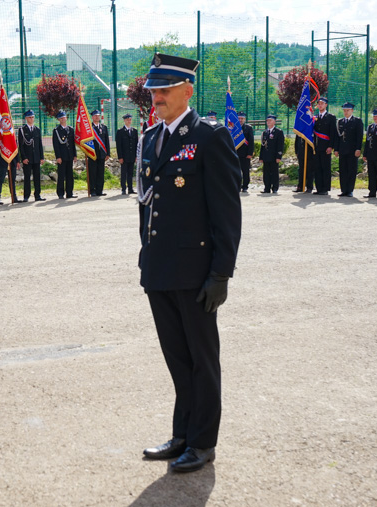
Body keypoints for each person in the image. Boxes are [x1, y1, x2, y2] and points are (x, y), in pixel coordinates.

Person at [138, 53, 242, 472]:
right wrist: (145, 255)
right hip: (160, 270)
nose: (156, 98)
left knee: (202, 360)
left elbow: (226, 211)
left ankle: (202, 442)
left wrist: (221, 272)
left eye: (163, 90)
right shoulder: (151, 138)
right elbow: (148, 206)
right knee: (177, 360)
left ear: (187, 90)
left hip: (196, 273)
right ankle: (182, 433)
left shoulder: (209, 137)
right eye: (153, 91)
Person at [334, 102, 363, 198]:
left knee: (351, 170)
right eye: (344, 110)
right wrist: (336, 149)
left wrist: (358, 148)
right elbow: (337, 137)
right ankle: (343, 190)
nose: (346, 112)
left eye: (348, 110)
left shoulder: (357, 121)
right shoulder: (340, 122)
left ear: (352, 111)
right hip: (342, 150)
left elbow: (359, 136)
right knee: (343, 170)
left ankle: (350, 190)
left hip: (352, 150)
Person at [312, 97, 337, 195]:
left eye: (322, 103)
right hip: (316, 146)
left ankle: (325, 189)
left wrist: (331, 146)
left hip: (326, 147)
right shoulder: (315, 118)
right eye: (319, 103)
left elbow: (333, 133)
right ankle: (319, 188)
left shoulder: (330, 117)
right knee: (317, 168)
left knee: (325, 168)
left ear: (326, 105)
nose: (320, 105)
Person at [18, 110, 45, 202]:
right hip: (27, 158)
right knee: (27, 177)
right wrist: (23, 158)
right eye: (29, 117)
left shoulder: (37, 129)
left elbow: (39, 145)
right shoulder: (22, 130)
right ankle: (26, 196)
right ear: (26, 118)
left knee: (37, 177)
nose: (31, 119)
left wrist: (42, 157)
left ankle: (37, 195)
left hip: (36, 157)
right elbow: (21, 146)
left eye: (33, 117)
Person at [362, 109, 377, 199]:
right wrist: (365, 154)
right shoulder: (370, 127)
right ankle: (372, 191)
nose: (375, 117)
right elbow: (367, 142)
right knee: (371, 174)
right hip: (371, 154)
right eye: (374, 116)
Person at [52, 110, 76, 199]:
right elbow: (56, 145)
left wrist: (75, 155)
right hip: (61, 156)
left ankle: (70, 192)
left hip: (70, 156)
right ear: (59, 119)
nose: (63, 119)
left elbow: (73, 144)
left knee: (70, 175)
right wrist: (58, 157)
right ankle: (60, 193)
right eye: (61, 118)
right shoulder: (56, 130)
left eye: (64, 117)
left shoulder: (70, 129)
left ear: (66, 118)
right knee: (61, 175)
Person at [87, 110, 109, 196]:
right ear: (92, 117)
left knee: (101, 172)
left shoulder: (104, 127)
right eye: (95, 116)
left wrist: (108, 153)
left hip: (102, 154)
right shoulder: (89, 128)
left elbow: (106, 141)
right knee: (92, 173)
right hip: (92, 153)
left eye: (98, 116)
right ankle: (92, 190)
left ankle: (100, 190)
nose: (97, 117)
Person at [259, 114, 283, 194]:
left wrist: (279, 156)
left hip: (274, 156)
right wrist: (261, 157)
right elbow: (262, 146)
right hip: (266, 156)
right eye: (267, 120)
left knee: (274, 172)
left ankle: (275, 188)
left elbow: (280, 145)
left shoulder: (278, 132)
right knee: (266, 173)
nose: (268, 122)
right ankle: (267, 188)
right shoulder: (265, 132)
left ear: (274, 122)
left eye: (270, 120)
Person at [116, 113, 138, 195]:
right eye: (128, 120)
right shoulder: (120, 131)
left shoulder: (134, 131)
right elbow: (119, 145)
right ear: (124, 120)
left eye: (130, 120)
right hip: (124, 156)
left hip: (132, 156)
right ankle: (123, 189)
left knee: (130, 173)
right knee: (124, 173)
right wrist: (120, 157)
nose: (129, 121)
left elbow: (136, 144)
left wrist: (136, 156)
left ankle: (130, 188)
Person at [237, 112, 255, 193]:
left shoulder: (248, 128)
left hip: (245, 153)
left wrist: (250, 153)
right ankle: (237, 185)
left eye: (242, 118)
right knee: (236, 171)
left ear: (244, 119)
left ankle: (245, 186)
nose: (240, 120)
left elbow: (251, 141)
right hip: (235, 153)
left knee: (245, 171)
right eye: (239, 118)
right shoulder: (234, 128)